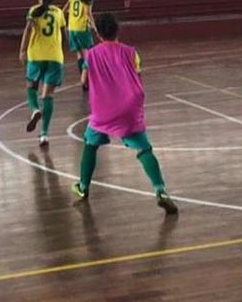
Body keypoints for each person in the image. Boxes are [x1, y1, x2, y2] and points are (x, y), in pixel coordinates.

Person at [70, 13, 178, 214]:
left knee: (90, 145)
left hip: (104, 109)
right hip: (129, 105)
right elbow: (138, 76)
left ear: (99, 34)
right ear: (117, 30)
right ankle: (160, 190)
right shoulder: (131, 52)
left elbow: (83, 81)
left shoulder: (91, 54)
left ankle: (83, 187)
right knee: (144, 149)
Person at [19, 0, 65, 147]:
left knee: (31, 87)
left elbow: (27, 31)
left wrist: (22, 50)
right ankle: (44, 134)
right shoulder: (58, 13)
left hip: (36, 55)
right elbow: (63, 33)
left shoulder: (33, 11)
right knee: (47, 96)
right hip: (55, 57)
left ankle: (34, 110)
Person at [63, 0, 96, 83]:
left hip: (71, 28)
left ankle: (82, 77)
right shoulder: (87, 0)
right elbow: (88, 14)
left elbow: (63, 10)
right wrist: (95, 27)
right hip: (82, 28)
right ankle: (86, 78)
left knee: (79, 54)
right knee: (88, 52)